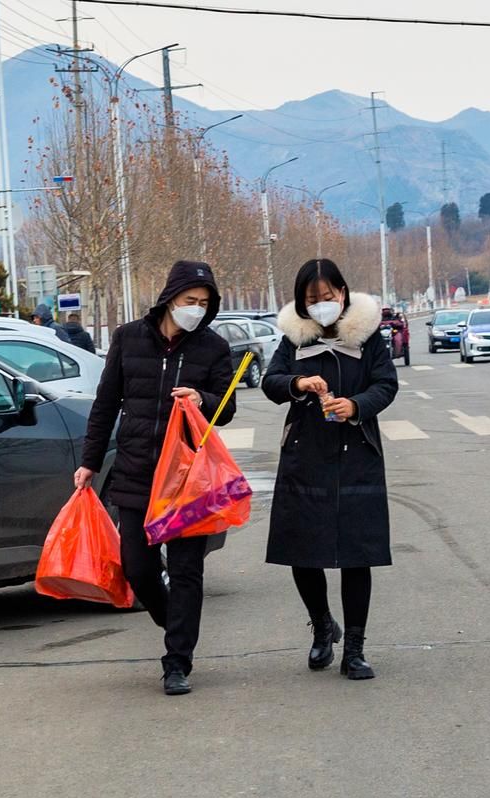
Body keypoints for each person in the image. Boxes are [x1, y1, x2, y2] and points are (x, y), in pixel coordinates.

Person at [74, 260, 236, 696]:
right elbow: (105, 404)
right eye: (190, 301)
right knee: (139, 568)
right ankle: (174, 619)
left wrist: (202, 398)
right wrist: (89, 461)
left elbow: (229, 407)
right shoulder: (128, 339)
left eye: (204, 304)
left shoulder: (214, 348)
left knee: (186, 572)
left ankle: (177, 660)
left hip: (188, 480)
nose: (196, 310)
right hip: (135, 472)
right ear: (170, 298)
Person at [263, 259, 399, 680]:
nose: (321, 305)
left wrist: (356, 405)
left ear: (343, 292)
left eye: (327, 296)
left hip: (357, 454)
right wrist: (297, 384)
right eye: (311, 299)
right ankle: (322, 625)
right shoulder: (293, 339)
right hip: (305, 457)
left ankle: (354, 649)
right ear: (301, 304)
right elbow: (272, 382)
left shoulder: (368, 335)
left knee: (358, 554)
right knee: (304, 553)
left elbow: (386, 384)